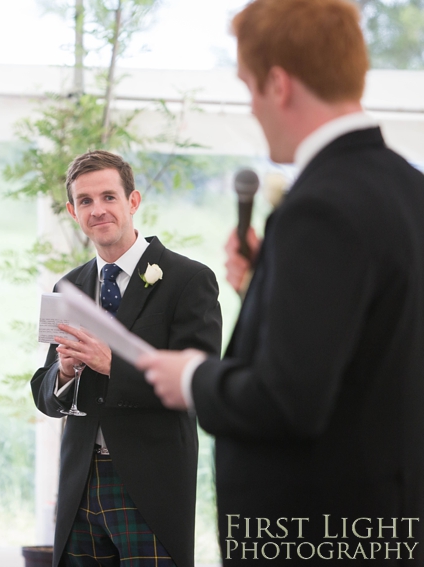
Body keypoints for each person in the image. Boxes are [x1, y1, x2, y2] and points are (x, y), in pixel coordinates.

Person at [138, 0, 424, 562]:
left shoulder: (320, 207)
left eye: (248, 86)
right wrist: (268, 288)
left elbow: (288, 400)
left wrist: (192, 377)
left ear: (278, 83)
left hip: (318, 534)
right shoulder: (409, 188)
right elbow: (372, 342)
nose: (250, 106)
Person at [31, 150, 222, 567]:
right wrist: (63, 373)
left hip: (151, 485)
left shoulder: (189, 281)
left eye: (108, 197)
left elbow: (200, 385)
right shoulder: (69, 288)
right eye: (85, 201)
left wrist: (112, 366)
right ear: (72, 211)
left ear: (132, 202)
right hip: (80, 482)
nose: (97, 210)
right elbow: (43, 394)